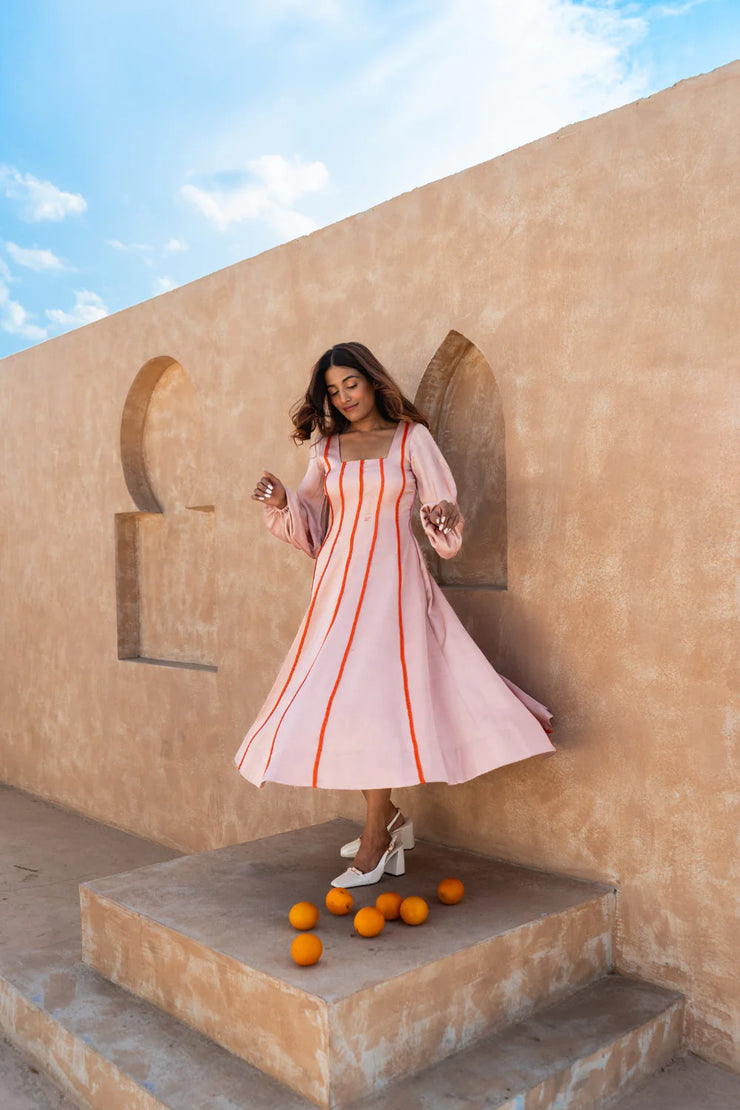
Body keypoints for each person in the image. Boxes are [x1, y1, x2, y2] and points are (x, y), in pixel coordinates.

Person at [235, 342, 554, 888]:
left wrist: (445, 516)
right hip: (336, 587)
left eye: (350, 385)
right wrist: (281, 498)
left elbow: (443, 519)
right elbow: (311, 525)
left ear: (371, 380)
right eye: (332, 391)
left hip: (393, 583)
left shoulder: (412, 439)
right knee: (343, 697)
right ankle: (388, 818)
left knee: (378, 698)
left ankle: (377, 836)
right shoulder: (327, 450)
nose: (343, 398)